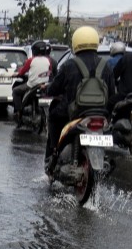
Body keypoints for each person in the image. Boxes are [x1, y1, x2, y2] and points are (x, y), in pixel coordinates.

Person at [44, 26, 116, 167]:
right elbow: (112, 93)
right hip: (101, 113)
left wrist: (47, 88)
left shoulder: (69, 65)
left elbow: (53, 89)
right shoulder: (106, 66)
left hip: (72, 113)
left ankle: (53, 152)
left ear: (75, 42)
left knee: (53, 114)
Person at [12, 40, 53, 121]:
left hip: (31, 85)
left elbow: (22, 71)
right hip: (44, 85)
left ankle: (18, 111)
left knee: (16, 91)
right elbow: (50, 71)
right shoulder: (48, 60)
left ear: (34, 50)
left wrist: (17, 74)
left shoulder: (31, 60)